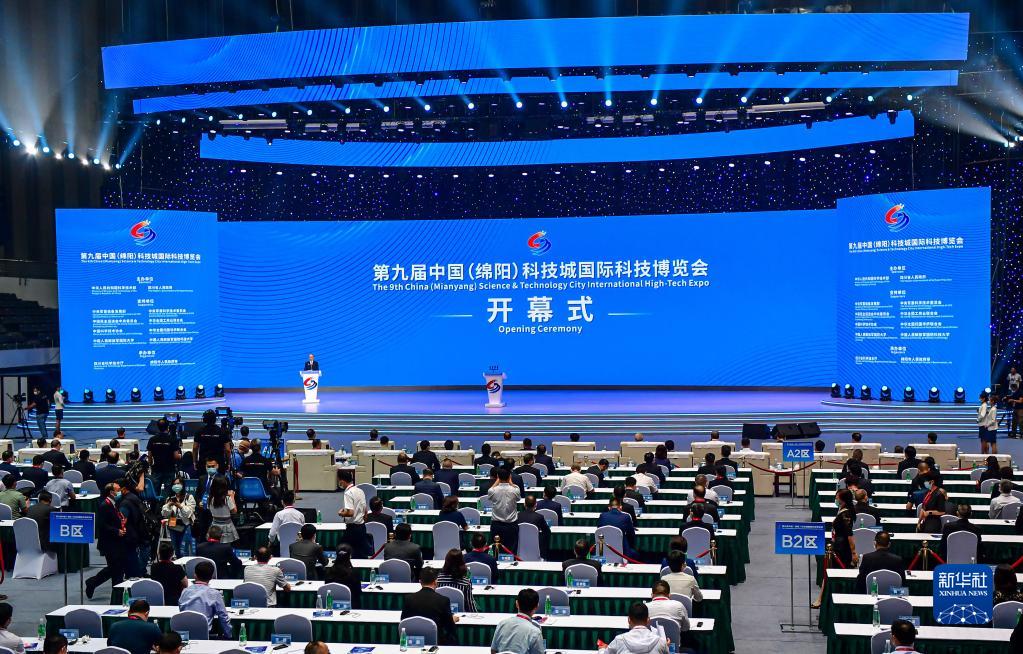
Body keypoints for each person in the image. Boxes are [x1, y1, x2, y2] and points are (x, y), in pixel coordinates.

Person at [86, 482, 129, 600]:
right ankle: (115, 595)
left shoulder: (114, 504)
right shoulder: (105, 505)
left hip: (117, 541)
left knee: (115, 568)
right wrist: (116, 531)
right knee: (116, 569)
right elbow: (102, 525)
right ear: (111, 492)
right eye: (118, 490)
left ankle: (94, 583)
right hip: (109, 543)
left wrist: (121, 526)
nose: (120, 491)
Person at [401, 567, 459, 645]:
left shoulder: (408, 599)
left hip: (412, 642)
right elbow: (449, 627)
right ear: (436, 582)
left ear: (420, 582)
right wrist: (452, 620)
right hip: (437, 642)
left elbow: (404, 621)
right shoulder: (443, 600)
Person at [178, 560, 232, 637]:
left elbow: (182, 610)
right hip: (205, 634)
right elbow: (223, 617)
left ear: (195, 575)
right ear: (211, 577)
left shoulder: (184, 592)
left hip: (184, 635)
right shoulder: (215, 594)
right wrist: (229, 635)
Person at [490, 588, 544, 654]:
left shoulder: (502, 624)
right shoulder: (535, 632)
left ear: (516, 604)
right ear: (537, 606)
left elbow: (493, 651)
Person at [601, 602, 669, 654]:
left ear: (629, 620)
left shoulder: (619, 640)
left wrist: (602, 650)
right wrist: (665, 646)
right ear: (648, 620)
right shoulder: (660, 642)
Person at [337, 469, 370, 558]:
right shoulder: (360, 491)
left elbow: (351, 513)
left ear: (342, 481)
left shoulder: (348, 493)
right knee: (360, 554)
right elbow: (365, 510)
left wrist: (341, 513)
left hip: (352, 529)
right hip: (362, 527)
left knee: (342, 551)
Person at [488, 467, 521, 553]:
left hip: (496, 525)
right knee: (511, 551)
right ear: (510, 476)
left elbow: (490, 490)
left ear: (498, 477)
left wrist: (498, 480)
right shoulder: (515, 490)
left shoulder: (492, 490)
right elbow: (518, 498)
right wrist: (510, 482)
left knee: (496, 551)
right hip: (511, 526)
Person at [161, 476, 196, 557]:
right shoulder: (169, 498)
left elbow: (188, 513)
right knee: (175, 549)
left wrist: (179, 506)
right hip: (173, 525)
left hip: (185, 526)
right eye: (174, 484)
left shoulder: (189, 497)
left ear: (183, 485)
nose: (176, 485)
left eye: (178, 483)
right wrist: (169, 505)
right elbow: (164, 514)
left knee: (184, 550)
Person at [146, 418, 181, 497]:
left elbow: (150, 456)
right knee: (168, 492)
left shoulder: (152, 439)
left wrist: (151, 465)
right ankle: (166, 504)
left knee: (155, 491)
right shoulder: (172, 439)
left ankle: (156, 505)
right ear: (168, 427)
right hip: (169, 469)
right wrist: (180, 456)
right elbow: (176, 456)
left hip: (157, 469)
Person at [325, 543, 362, 608]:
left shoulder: (329, 572)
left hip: (331, 605)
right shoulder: (354, 573)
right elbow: (358, 592)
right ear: (350, 556)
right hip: (351, 606)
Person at [207, 476, 238, 545]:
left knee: (214, 546)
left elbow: (209, 509)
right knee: (225, 547)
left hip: (214, 525)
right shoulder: (227, 499)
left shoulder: (210, 498)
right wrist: (232, 496)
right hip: (226, 526)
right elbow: (234, 511)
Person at [832, 488, 858, 567]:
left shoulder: (846, 514)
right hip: (838, 543)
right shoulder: (842, 510)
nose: (836, 499)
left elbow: (849, 534)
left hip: (842, 548)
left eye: (837, 497)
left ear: (843, 499)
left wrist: (853, 552)